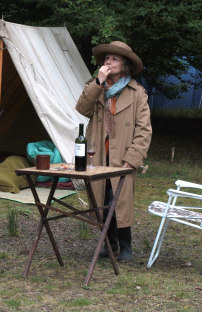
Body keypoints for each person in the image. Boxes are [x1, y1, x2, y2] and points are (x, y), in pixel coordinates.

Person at [75, 41, 152, 261]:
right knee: (101, 198)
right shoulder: (96, 87)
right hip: (99, 153)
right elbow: (82, 108)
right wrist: (98, 82)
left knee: (121, 200)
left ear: (124, 65)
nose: (109, 62)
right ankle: (107, 243)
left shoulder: (137, 93)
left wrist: (133, 158)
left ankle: (125, 245)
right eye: (107, 58)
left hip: (123, 155)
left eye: (114, 59)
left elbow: (144, 130)